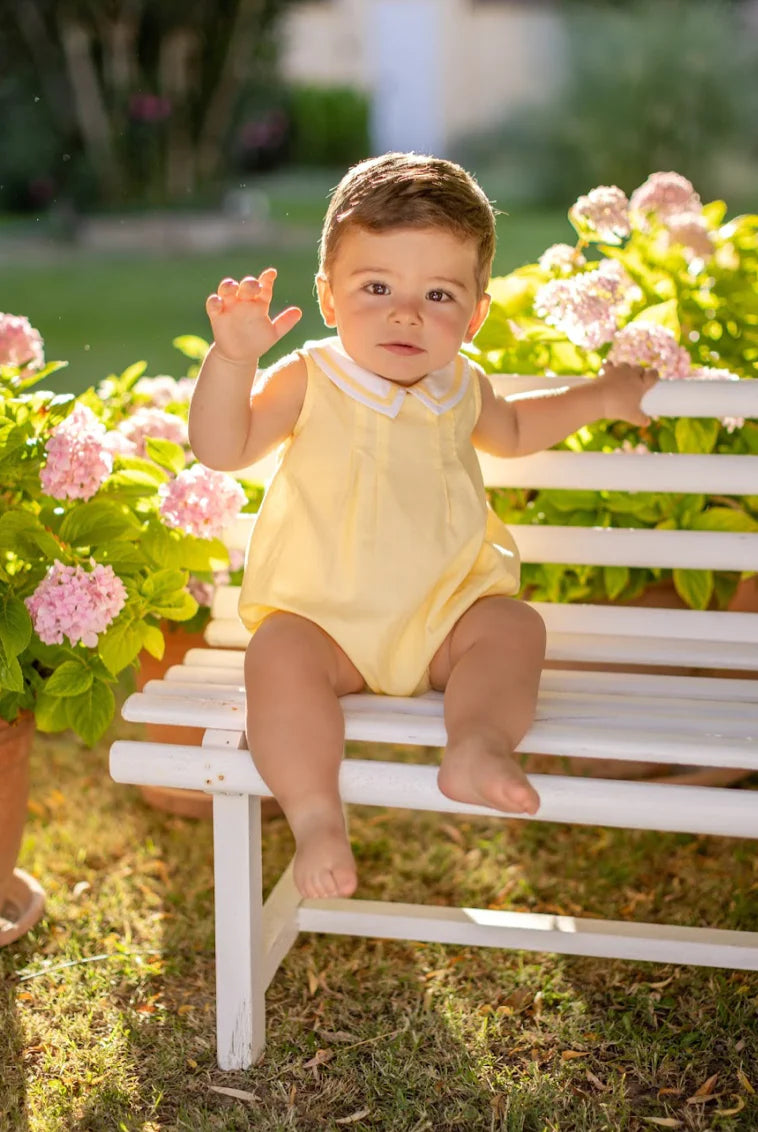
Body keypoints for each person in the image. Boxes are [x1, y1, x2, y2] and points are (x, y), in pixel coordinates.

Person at [188, 152, 657, 901]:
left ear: (475, 315)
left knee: (512, 628)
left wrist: (599, 398)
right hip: (325, 623)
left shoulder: (463, 385)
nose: (406, 313)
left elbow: (514, 428)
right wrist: (232, 358)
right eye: (376, 287)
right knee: (275, 657)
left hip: (446, 616)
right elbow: (222, 447)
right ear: (329, 298)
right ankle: (315, 815)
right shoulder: (313, 378)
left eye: (438, 294)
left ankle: (476, 745)